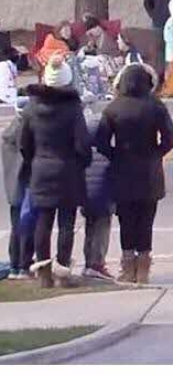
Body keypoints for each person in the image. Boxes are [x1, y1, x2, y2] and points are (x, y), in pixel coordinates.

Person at [95, 64, 173, 285]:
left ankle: (127, 265)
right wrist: (157, 154)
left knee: (126, 220)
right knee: (146, 220)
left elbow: (101, 141)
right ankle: (143, 267)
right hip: (150, 169)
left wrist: (115, 155)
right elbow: (170, 137)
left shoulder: (113, 108)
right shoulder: (156, 106)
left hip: (123, 168)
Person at [20, 58, 91, 288]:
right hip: (68, 168)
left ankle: (43, 272)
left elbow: (24, 144)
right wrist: (83, 162)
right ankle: (62, 271)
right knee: (67, 223)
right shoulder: (72, 108)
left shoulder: (31, 108)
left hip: (41, 167)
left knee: (43, 220)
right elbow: (82, 143)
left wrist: (34, 161)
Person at [81, 113, 114, 282]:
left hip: (86, 198)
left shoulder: (81, 154)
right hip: (103, 199)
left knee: (89, 230)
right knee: (101, 231)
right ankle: (96, 264)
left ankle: (88, 262)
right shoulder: (108, 153)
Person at [1, 115, 33, 280]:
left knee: (16, 227)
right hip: (25, 186)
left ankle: (15, 265)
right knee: (27, 226)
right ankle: (23, 265)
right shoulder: (23, 130)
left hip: (13, 189)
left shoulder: (8, 136)